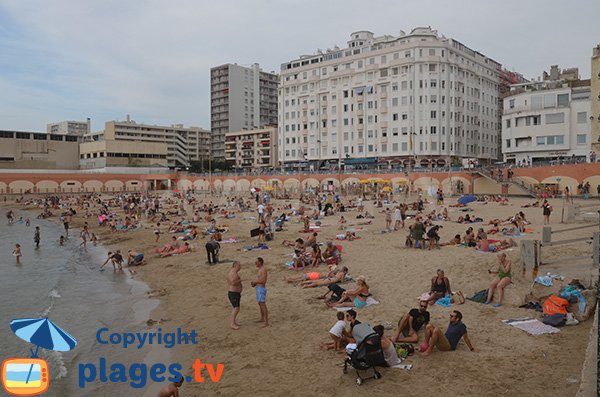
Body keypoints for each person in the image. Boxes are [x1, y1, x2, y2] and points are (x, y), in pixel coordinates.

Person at [251, 257, 269, 327]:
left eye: (256, 262)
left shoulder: (263, 270)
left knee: (262, 304)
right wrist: (255, 283)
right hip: (259, 288)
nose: (255, 263)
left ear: (260, 262)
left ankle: (266, 322)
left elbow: (263, 281)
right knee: (260, 304)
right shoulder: (260, 269)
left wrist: (255, 282)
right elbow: (260, 280)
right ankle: (262, 318)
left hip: (261, 289)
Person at [227, 261, 243, 330]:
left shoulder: (234, 273)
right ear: (236, 265)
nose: (240, 267)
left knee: (237, 307)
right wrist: (240, 280)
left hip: (235, 293)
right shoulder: (232, 273)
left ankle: (234, 322)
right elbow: (232, 283)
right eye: (239, 265)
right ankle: (232, 323)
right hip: (233, 293)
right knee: (236, 308)